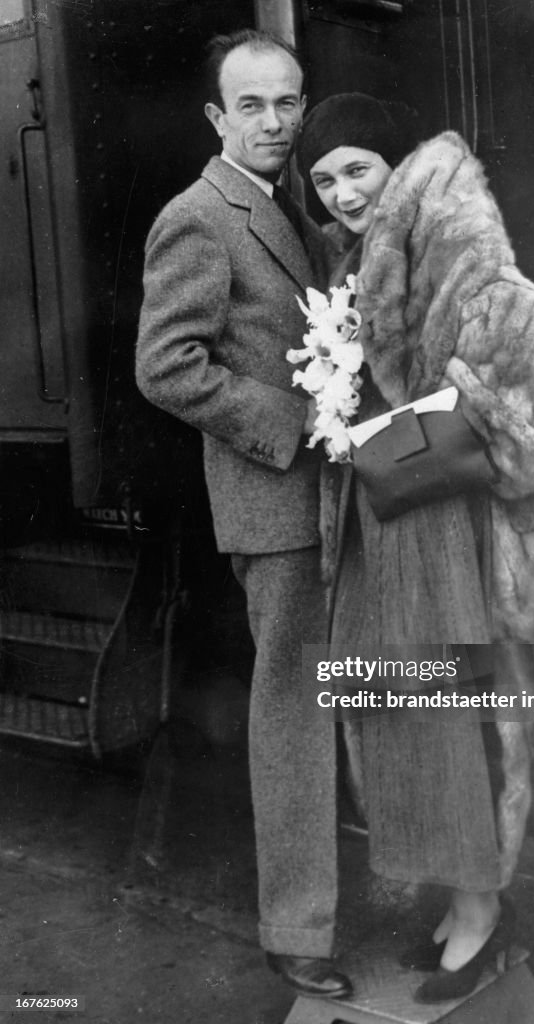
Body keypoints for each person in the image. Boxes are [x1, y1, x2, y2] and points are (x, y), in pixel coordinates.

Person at [296, 93, 534, 1004]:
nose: (342, 192)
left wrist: (417, 423)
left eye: (357, 168)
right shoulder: (373, 272)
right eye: (324, 178)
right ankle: (466, 908)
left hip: (490, 546)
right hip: (423, 547)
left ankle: (485, 920)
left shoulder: (478, 274)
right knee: (432, 729)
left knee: (482, 737)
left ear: (398, 166)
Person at [135, 32, 352, 1000]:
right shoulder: (199, 216)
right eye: (253, 107)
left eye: (288, 104)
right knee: (296, 714)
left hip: (335, 500)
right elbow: (167, 367)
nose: (275, 123)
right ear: (220, 119)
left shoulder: (291, 209)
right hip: (276, 504)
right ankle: (297, 930)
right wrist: (297, 422)